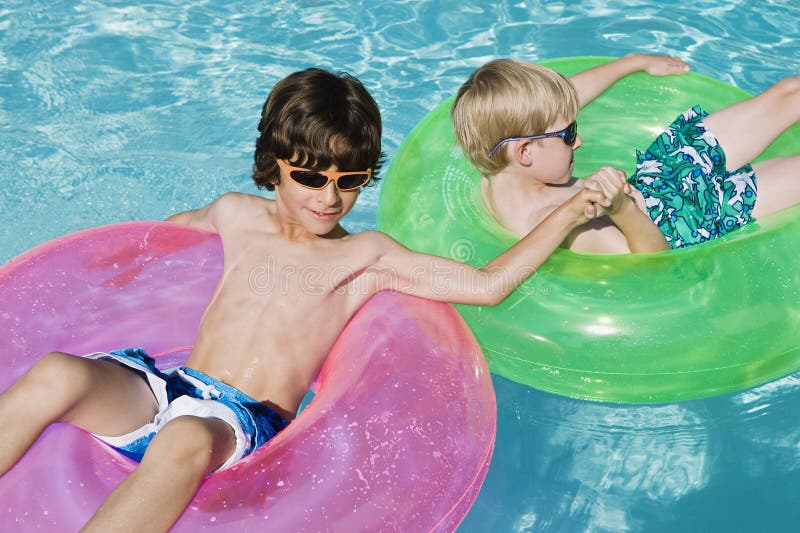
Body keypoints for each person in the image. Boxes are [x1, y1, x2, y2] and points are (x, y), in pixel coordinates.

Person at [0, 68, 612, 532]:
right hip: (167, 388)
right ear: (275, 164)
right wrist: (88, 273)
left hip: (237, 424)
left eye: (349, 182)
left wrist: (569, 212)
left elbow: (487, 285)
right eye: (311, 177)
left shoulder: (363, 257)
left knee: (180, 440)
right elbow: (148, 245)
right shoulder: (235, 215)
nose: (329, 198)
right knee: (56, 374)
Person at [451, 53, 800, 252]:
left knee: (788, 92)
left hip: (660, 175)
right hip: (689, 220)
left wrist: (633, 63)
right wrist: (621, 208)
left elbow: (557, 105)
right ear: (525, 151)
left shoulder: (498, 161)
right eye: (569, 134)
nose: (579, 142)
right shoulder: (553, 218)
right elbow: (651, 260)